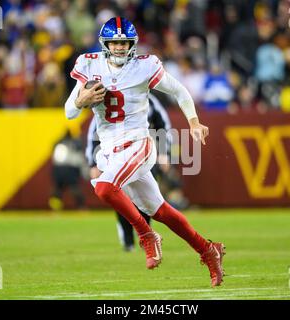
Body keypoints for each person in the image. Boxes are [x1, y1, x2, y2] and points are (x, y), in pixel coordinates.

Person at [65, 17, 225, 286]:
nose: (119, 47)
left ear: (132, 44)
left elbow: (179, 90)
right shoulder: (88, 63)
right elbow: (70, 111)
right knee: (160, 210)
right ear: (105, 44)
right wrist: (82, 100)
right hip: (110, 150)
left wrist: (194, 121)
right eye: (114, 42)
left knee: (104, 187)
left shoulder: (144, 66)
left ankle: (146, 234)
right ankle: (209, 251)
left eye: (124, 42)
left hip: (139, 143)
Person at [86, 94, 173, 252]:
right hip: (116, 155)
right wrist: (93, 162)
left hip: (144, 154)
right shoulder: (109, 98)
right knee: (121, 197)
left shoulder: (150, 101)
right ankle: (128, 239)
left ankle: (146, 237)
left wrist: (164, 152)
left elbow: (163, 126)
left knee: (147, 201)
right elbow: (94, 132)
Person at [49, 130, 87, 210]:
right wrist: (83, 171)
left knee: (57, 189)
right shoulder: (75, 143)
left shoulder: (58, 143)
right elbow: (79, 158)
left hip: (58, 168)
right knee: (74, 188)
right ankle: (81, 207)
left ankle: (55, 207)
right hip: (70, 168)